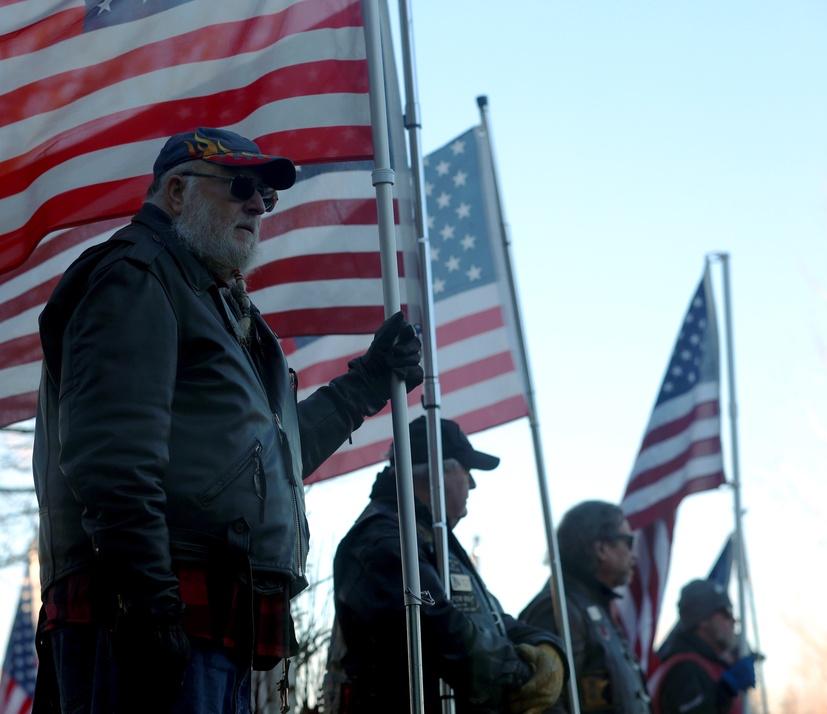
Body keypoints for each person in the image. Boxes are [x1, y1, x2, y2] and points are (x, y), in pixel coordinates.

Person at [31, 126, 423, 713]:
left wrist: (366, 383)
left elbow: (267, 457)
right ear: (177, 193)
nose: (257, 204)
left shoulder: (215, 304)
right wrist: (150, 599)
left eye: (265, 195)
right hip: (143, 616)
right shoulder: (136, 275)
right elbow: (110, 457)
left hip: (206, 620)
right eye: (240, 185)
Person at [330, 415, 567, 713]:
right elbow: (435, 624)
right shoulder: (383, 539)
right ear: (437, 473)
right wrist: (520, 675)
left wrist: (546, 647)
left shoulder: (428, 536)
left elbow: (489, 618)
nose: (473, 483)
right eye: (467, 470)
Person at [519, 500, 652, 713]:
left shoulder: (591, 606)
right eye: (628, 542)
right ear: (601, 548)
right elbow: (545, 703)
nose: (634, 555)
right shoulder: (558, 609)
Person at [652, 579, 757, 714]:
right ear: (703, 620)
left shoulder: (705, 665)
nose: (733, 621)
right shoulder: (685, 669)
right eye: (726, 613)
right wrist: (726, 689)